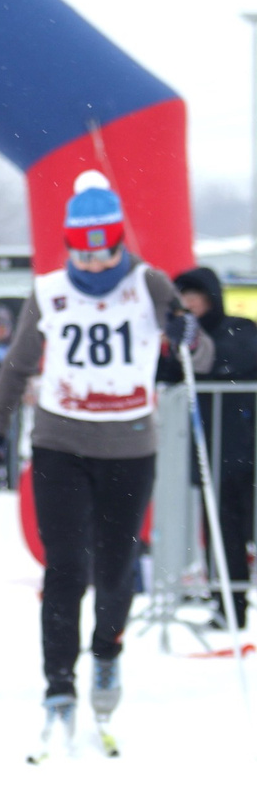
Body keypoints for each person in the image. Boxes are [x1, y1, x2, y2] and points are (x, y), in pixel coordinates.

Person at [0, 178, 208, 735]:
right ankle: (58, 682)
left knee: (116, 569)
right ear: (70, 245)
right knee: (65, 568)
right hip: (61, 443)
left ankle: (105, 652)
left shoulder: (148, 283)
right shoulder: (51, 290)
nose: (96, 264)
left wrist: (188, 334)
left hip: (129, 447)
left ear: (118, 243)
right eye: (84, 250)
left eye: (105, 250)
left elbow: (198, 358)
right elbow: (16, 366)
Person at [174, 265, 255, 628]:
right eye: (183, 299)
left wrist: (196, 350)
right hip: (214, 453)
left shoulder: (241, 329)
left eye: (195, 297)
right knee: (222, 533)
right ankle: (229, 607)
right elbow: (167, 372)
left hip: (247, 445)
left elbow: (232, 362)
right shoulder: (182, 340)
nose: (189, 305)